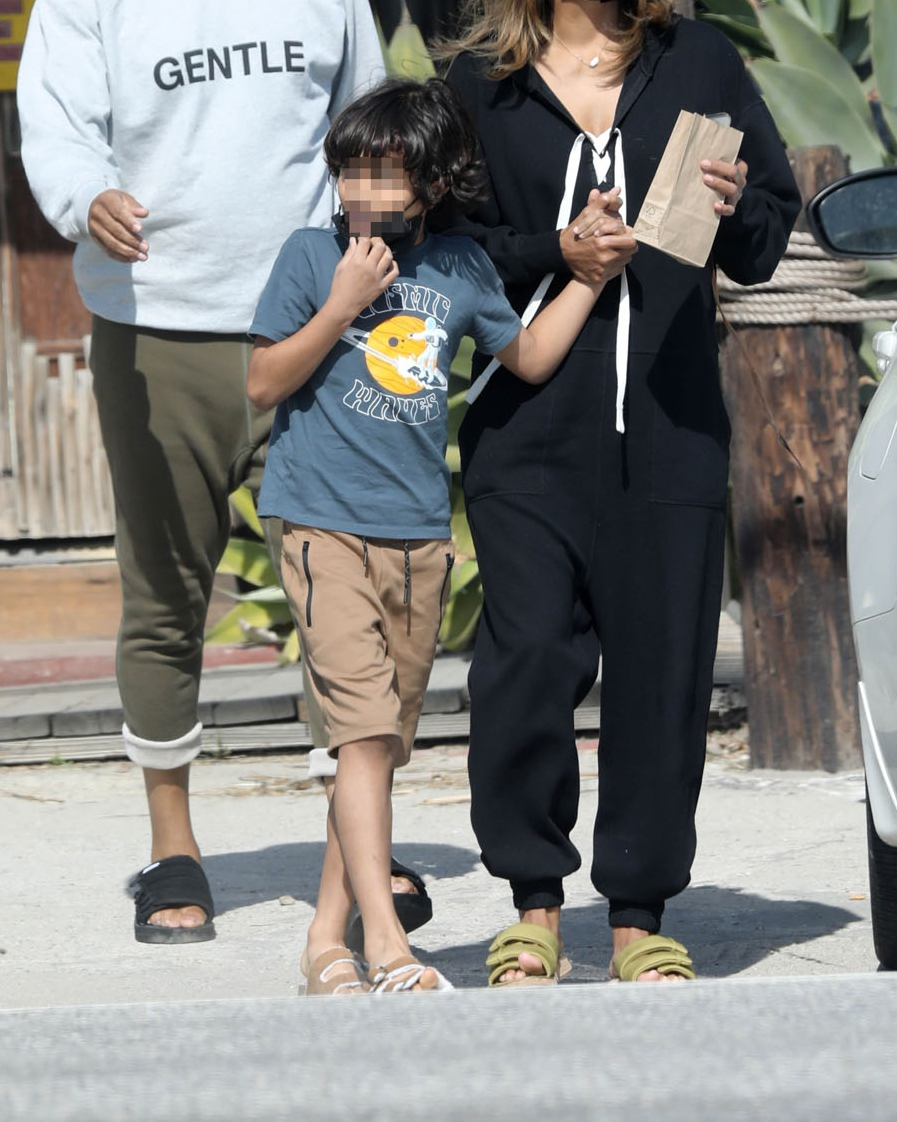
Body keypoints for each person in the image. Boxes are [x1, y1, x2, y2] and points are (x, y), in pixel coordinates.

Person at [17, 0, 384, 943]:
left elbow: (365, 117)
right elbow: (57, 131)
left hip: (314, 321)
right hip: (161, 326)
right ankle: (172, 843)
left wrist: (381, 248)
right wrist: (88, 200)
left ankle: (359, 850)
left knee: (345, 588)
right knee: (166, 591)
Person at [440, 0, 802, 985]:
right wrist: (553, 248)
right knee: (529, 658)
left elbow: (762, 238)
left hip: (672, 430)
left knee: (662, 670)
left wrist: (738, 201)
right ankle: (533, 901)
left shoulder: (697, 61)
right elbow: (441, 254)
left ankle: (640, 910)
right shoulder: (475, 88)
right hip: (526, 432)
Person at [246, 76, 634, 994]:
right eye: (349, 172)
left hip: (418, 538)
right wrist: (341, 305)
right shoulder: (309, 258)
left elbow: (529, 356)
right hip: (317, 521)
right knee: (363, 733)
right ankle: (387, 945)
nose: (362, 194)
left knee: (373, 748)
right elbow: (263, 383)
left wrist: (583, 277)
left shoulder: (458, 266)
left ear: (429, 184)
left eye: (384, 176)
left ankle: (322, 945)